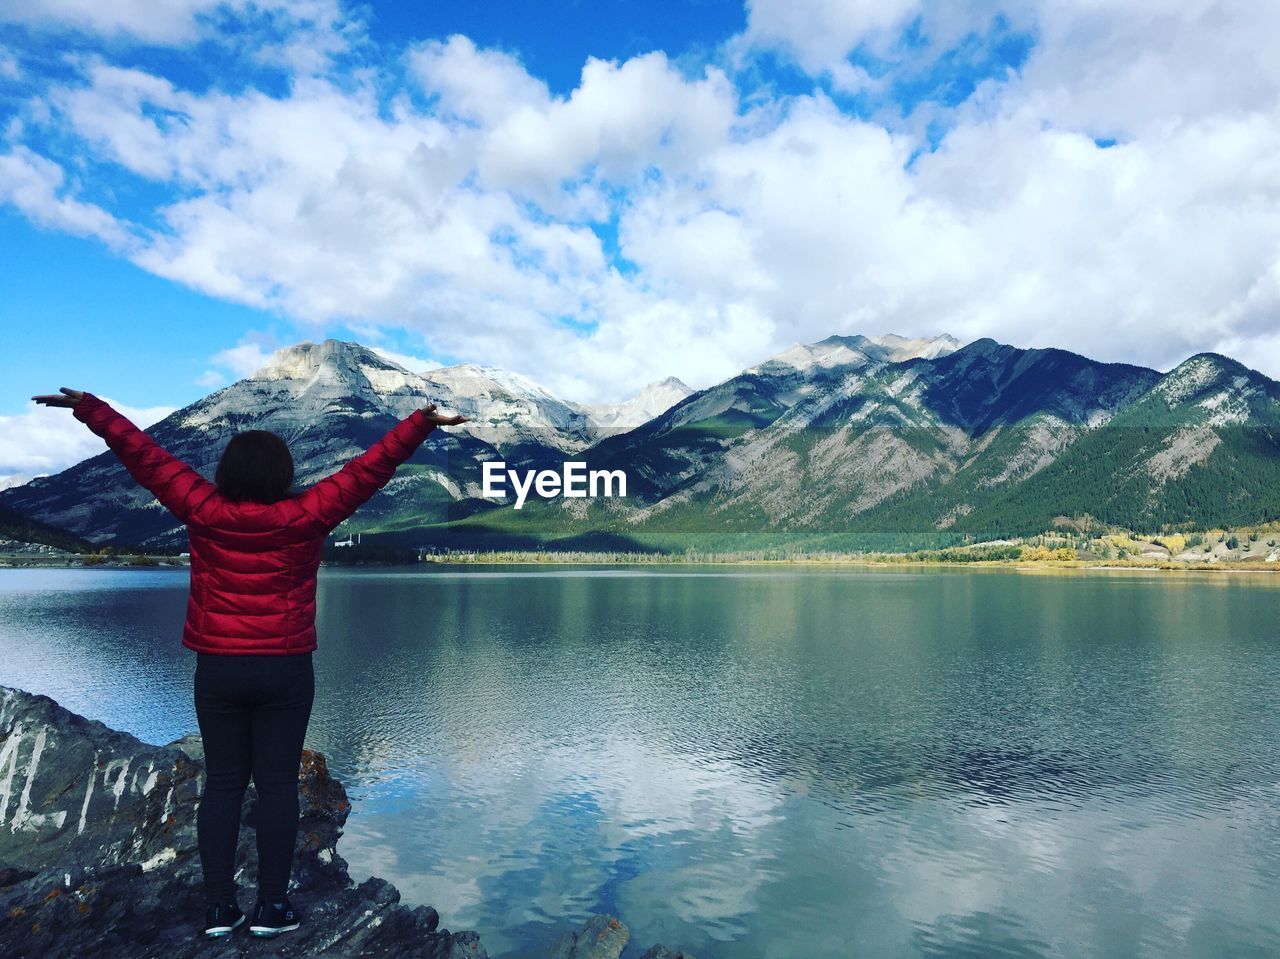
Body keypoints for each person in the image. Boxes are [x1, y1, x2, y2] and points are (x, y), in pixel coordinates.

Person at [31, 386, 468, 940]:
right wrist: (422, 422)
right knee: (279, 785)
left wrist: (93, 411)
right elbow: (367, 471)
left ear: (228, 473)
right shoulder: (307, 514)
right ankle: (272, 908)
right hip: (285, 668)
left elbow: (145, 456)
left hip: (219, 667)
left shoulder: (201, 508)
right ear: (284, 474)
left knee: (224, 785)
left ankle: (218, 910)